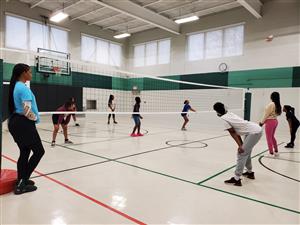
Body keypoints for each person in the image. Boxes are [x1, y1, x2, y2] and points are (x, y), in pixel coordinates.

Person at [7, 63, 45, 194]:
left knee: (25, 151)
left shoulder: (17, 86)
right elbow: (27, 110)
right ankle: (23, 181)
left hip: (16, 122)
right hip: (23, 123)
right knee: (39, 151)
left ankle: (20, 180)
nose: (31, 74)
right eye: (29, 71)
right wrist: (35, 119)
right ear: (23, 73)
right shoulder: (22, 88)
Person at [213, 102, 262, 186]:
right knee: (246, 152)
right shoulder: (229, 113)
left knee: (241, 153)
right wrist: (241, 145)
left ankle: (236, 178)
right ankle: (249, 173)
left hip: (254, 132)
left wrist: (240, 146)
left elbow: (233, 133)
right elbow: (235, 132)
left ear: (217, 111)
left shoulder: (224, 119)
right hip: (253, 129)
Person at [259, 92, 282, 156]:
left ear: (271, 97)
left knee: (268, 137)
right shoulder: (278, 104)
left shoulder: (271, 104)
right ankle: (276, 151)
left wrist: (262, 122)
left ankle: (271, 153)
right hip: (275, 121)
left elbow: (266, 115)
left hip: (270, 122)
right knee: (272, 137)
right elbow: (278, 113)